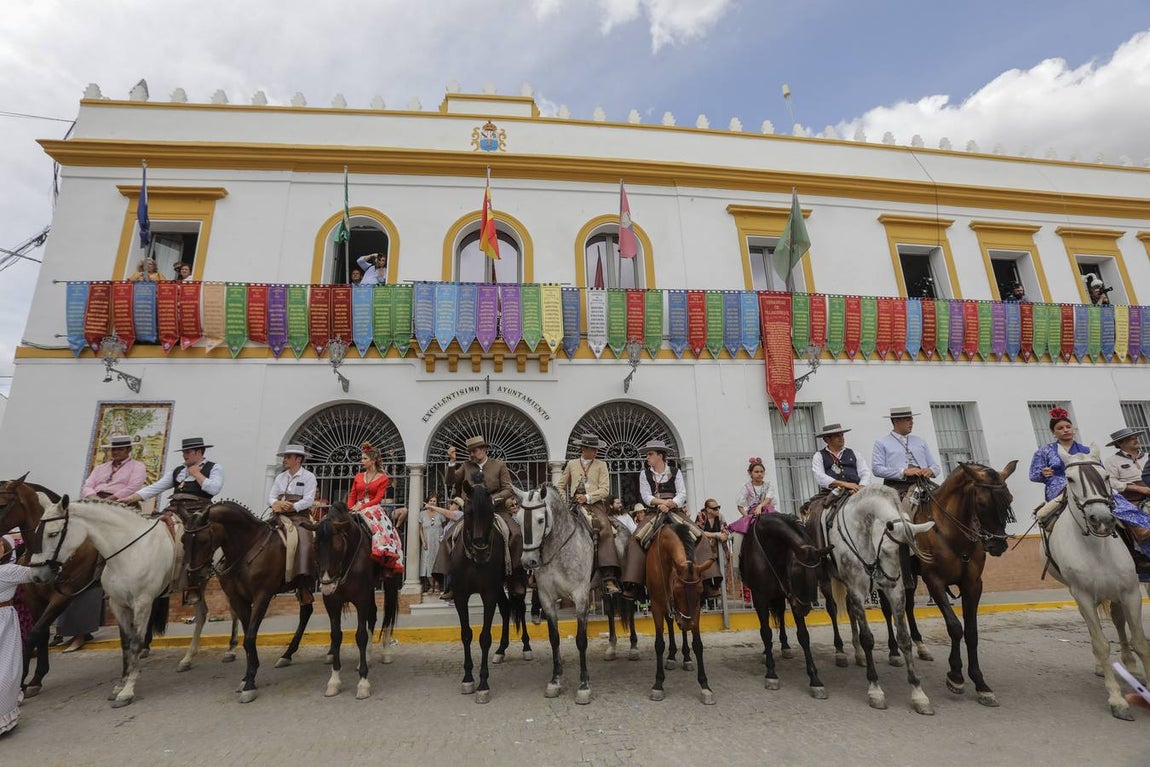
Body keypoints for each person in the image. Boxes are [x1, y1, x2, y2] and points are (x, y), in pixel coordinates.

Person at [63, 435, 147, 652]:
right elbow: (87, 486)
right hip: (96, 508)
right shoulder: (101, 468)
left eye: (119, 448)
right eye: (113, 449)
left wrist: (110, 500)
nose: (115, 452)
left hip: (120, 510)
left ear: (129, 449)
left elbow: (133, 487)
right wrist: (96, 501)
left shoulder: (137, 467)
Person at [621, 439, 723, 600]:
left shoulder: (675, 472)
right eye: (648, 455)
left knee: (700, 536)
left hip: (675, 511)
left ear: (660, 456)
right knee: (635, 540)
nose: (647, 458)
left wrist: (670, 504)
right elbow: (646, 496)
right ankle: (633, 584)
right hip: (653, 513)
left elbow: (682, 494)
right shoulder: (644, 474)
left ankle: (709, 581)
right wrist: (662, 503)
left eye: (650, 454)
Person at [440, 435, 524, 595]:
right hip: (472, 514)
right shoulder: (465, 466)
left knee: (517, 534)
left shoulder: (499, 465)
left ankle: (514, 578)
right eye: (469, 451)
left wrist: (492, 500)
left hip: (496, 510)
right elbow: (450, 481)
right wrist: (451, 462)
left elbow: (508, 489)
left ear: (484, 450)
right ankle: (452, 581)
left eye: (474, 450)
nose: (471, 454)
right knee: (448, 537)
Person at [558, 433, 620, 594]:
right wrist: (563, 501)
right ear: (584, 449)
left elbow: (605, 489)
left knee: (605, 529)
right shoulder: (571, 464)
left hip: (595, 505)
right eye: (593, 449)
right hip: (573, 505)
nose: (596, 452)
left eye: (596, 449)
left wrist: (587, 497)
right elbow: (560, 485)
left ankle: (608, 576)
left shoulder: (601, 465)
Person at [2, 535, 44, 736]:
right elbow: (42, 574)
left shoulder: (10, 570)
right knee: (7, 668)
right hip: (3, 621)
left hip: (5, 618)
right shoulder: (9, 571)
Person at [120, 436, 223, 517]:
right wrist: (131, 498)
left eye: (187, 452)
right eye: (183, 452)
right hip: (174, 510)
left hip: (199, 512)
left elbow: (214, 489)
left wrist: (197, 474)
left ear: (199, 452)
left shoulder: (214, 467)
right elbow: (155, 488)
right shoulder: (178, 470)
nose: (184, 455)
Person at [347, 443, 403, 574]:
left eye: (365, 458)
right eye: (362, 458)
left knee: (381, 530)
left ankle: (384, 556)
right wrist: (350, 508)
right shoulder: (358, 476)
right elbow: (352, 495)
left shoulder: (383, 478)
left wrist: (363, 506)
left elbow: (377, 499)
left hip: (372, 508)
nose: (362, 461)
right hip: (356, 507)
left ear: (373, 461)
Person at [1102, 427, 1150, 569]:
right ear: (1120, 443)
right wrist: (1137, 488)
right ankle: (1139, 555)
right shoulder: (1112, 461)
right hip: (1130, 499)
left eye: (1135, 437)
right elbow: (1111, 482)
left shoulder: (1147, 456)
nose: (1135, 439)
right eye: (1131, 438)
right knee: (1125, 513)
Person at [872, 407, 941, 500]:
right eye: (908, 419)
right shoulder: (881, 443)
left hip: (924, 482)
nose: (912, 423)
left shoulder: (920, 441)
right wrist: (903, 471)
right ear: (896, 421)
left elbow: (935, 466)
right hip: (898, 486)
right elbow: (877, 469)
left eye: (912, 419)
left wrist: (930, 470)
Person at [728, 457, 776, 579]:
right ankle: (736, 568)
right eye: (756, 472)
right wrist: (746, 516)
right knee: (738, 535)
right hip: (751, 513)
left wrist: (760, 506)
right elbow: (740, 505)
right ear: (750, 473)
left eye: (761, 471)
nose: (759, 474)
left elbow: (768, 499)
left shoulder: (768, 486)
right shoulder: (746, 487)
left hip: (767, 510)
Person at [1029, 408, 1090, 503]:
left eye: (1068, 427)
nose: (1065, 430)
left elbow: (1100, 469)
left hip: (1087, 485)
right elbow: (1033, 475)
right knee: (1044, 515)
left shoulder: (1086, 450)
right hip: (1058, 489)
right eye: (1060, 428)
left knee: (1119, 506)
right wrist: (1042, 473)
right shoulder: (1044, 451)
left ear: (1073, 429)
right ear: (1053, 432)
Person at [418, 494, 445, 594]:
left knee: (437, 563)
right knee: (427, 563)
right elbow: (420, 529)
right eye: (431, 501)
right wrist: (423, 541)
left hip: (437, 542)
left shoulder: (440, 513)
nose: (432, 502)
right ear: (427, 502)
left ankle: (437, 585)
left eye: (434, 501)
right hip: (427, 542)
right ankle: (431, 584)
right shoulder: (422, 514)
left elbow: (444, 527)